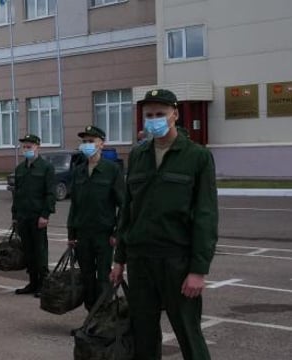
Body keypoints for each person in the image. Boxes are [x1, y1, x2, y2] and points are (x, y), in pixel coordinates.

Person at [110, 89, 218, 360]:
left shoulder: (197, 156)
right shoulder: (138, 155)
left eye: (160, 114)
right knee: (143, 336)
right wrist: (119, 259)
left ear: (175, 115)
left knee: (189, 334)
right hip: (140, 260)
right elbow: (128, 211)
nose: (154, 119)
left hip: (177, 261)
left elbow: (206, 215)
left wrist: (198, 270)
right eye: (149, 115)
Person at [67, 125, 126, 310]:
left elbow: (123, 204)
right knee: (86, 276)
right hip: (83, 233)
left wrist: (117, 232)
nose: (87, 145)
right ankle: (90, 318)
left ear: (102, 144)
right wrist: (71, 234)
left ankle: (103, 316)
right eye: (84, 142)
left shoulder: (111, 170)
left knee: (103, 276)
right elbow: (74, 205)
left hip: (104, 233)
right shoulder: (78, 170)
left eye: (91, 141)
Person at [12, 134, 56, 297]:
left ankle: (43, 284)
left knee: (40, 251)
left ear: (38, 147)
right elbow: (17, 194)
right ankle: (32, 282)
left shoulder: (46, 167)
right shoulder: (20, 169)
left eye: (29, 146)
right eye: (24, 147)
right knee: (28, 251)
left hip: (38, 217)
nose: (26, 149)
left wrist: (45, 214)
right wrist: (15, 215)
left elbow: (50, 194)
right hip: (23, 216)